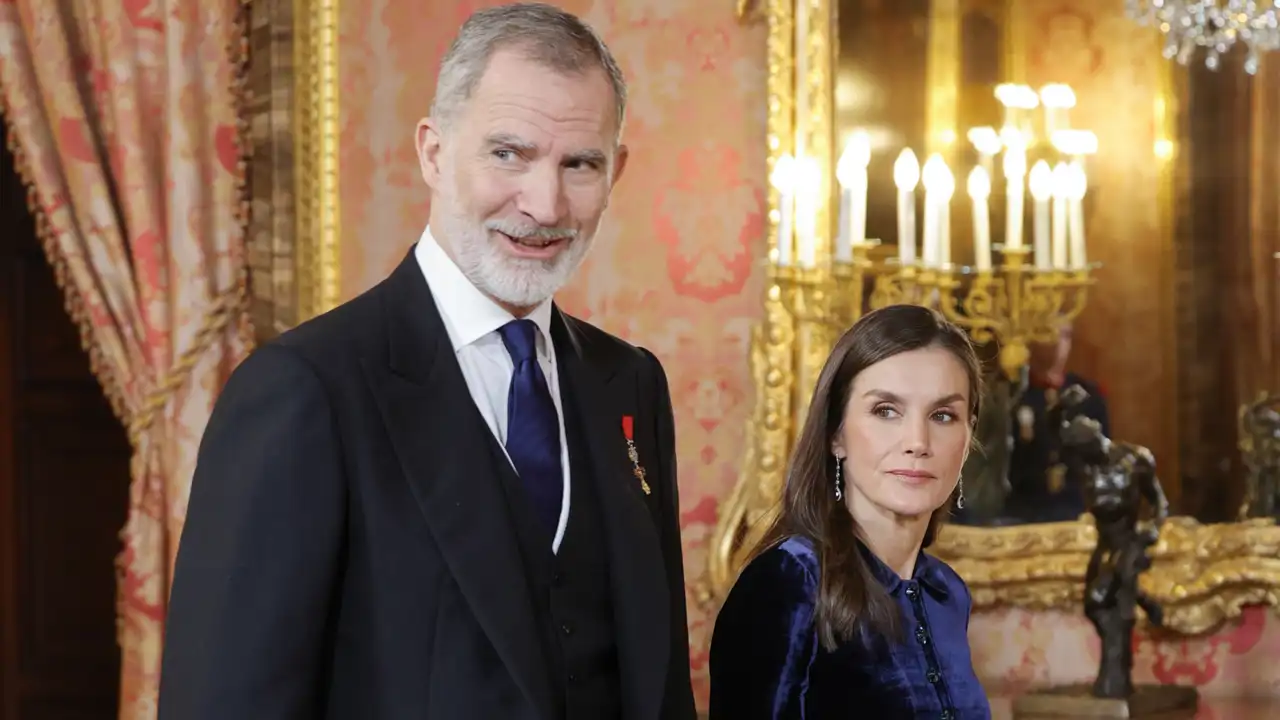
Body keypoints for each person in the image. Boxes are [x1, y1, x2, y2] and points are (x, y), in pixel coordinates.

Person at [158, 4, 696, 719]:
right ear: (433, 153)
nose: (544, 203)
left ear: (616, 171)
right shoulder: (306, 389)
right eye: (509, 153)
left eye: (580, 164)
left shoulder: (629, 382)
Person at [708, 305, 991, 720]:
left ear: (967, 438)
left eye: (943, 415)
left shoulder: (946, 592)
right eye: (886, 411)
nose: (917, 441)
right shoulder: (789, 582)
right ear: (836, 434)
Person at [1004, 323, 1110, 523]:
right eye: (1050, 335)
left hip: (1076, 508)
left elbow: (1103, 459)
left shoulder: (1088, 396)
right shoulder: (1012, 396)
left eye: (1065, 336)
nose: (1058, 344)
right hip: (1023, 509)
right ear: (1033, 340)